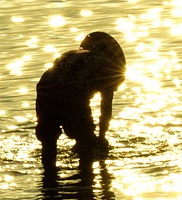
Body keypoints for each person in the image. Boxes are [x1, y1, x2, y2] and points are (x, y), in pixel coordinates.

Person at [35, 31, 126, 169]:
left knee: (48, 138)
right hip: (73, 92)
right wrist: (101, 137)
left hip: (44, 87)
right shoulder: (110, 68)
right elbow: (106, 110)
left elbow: (57, 75)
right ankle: (85, 179)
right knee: (86, 142)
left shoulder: (72, 54)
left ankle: (48, 178)